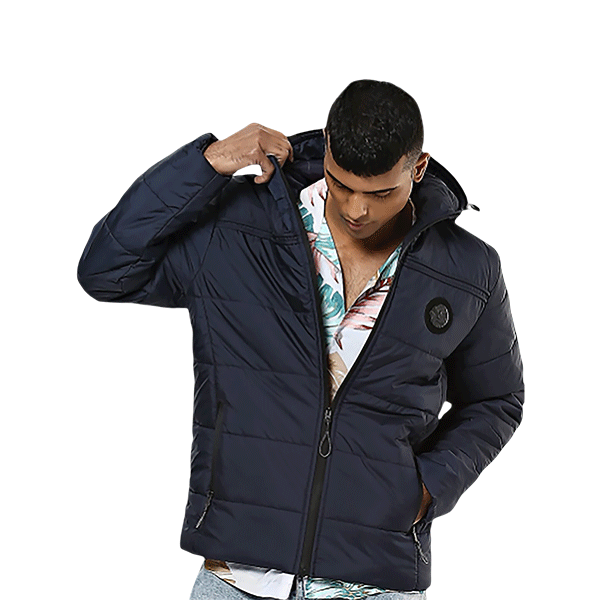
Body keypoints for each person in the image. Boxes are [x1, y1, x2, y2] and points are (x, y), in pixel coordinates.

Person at [77, 80, 524, 600]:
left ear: (418, 168)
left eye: (380, 193)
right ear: (326, 150)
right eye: (341, 184)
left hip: (375, 578)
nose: (357, 209)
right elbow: (105, 271)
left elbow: (497, 398)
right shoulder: (240, 227)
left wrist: (425, 489)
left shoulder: (467, 268)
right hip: (239, 570)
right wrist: (207, 162)